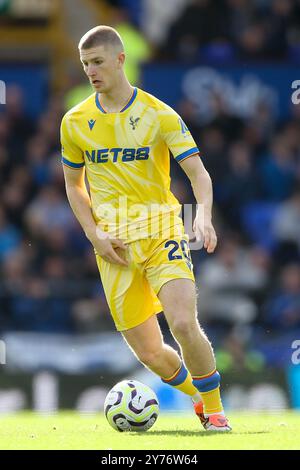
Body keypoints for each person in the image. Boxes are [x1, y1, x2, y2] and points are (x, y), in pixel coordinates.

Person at [60, 25, 231, 431]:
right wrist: (94, 234)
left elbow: (198, 174)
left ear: (121, 60)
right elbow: (72, 184)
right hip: (113, 246)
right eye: (85, 65)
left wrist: (202, 215)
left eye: (98, 62)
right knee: (151, 354)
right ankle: (197, 397)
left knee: (184, 324)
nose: (91, 71)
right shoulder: (74, 121)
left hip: (163, 231)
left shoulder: (159, 113)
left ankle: (217, 411)